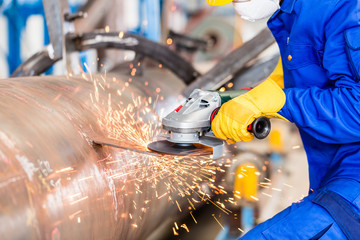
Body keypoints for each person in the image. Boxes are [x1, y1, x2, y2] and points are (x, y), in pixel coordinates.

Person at [208, 0, 360, 239]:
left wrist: (280, 102)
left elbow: (357, 110)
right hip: (339, 170)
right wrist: (256, 98)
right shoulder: (297, 13)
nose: (237, 5)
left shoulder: (345, 8)